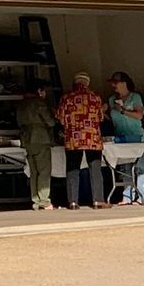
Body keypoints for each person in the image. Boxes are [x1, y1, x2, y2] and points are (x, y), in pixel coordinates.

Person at [56, 73, 108, 210]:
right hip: (92, 138)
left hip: (73, 138)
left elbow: (60, 118)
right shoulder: (95, 97)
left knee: (73, 168)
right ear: (87, 83)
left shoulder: (66, 97)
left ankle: (73, 201)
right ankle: (98, 200)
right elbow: (100, 117)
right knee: (95, 168)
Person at [105, 71, 144, 205]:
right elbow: (111, 118)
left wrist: (122, 110)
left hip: (136, 137)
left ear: (124, 83)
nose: (113, 86)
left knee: (140, 167)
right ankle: (127, 196)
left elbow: (139, 115)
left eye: (116, 83)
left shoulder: (135, 97)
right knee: (125, 167)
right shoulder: (111, 99)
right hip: (121, 137)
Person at [15, 84, 56, 210]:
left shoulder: (21, 105)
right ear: (39, 91)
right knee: (44, 170)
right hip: (41, 138)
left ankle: (36, 200)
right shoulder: (39, 103)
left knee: (34, 172)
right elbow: (50, 122)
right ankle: (44, 200)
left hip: (26, 140)